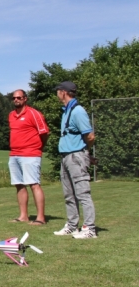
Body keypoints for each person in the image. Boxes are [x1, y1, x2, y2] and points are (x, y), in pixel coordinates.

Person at [54, 81, 98, 239]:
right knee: (69, 194)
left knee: (82, 193)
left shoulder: (78, 111)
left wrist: (84, 153)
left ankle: (89, 229)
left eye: (58, 91)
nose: (57, 94)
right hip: (66, 156)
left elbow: (90, 136)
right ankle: (72, 226)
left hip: (76, 156)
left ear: (63, 92)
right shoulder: (67, 111)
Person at [8, 89, 48, 225]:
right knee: (19, 185)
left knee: (34, 184)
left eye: (19, 97)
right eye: (14, 98)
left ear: (25, 99)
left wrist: (38, 148)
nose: (16, 100)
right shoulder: (11, 115)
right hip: (14, 154)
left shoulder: (34, 113)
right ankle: (23, 216)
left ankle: (40, 218)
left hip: (30, 154)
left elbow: (44, 133)